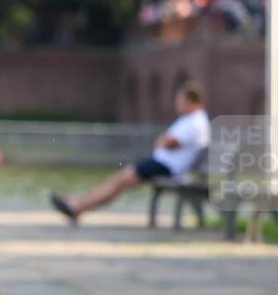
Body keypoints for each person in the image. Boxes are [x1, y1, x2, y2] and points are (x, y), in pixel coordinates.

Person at [51, 81, 210, 224]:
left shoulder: (194, 122)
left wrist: (162, 140)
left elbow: (169, 142)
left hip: (166, 167)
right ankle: (78, 204)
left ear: (191, 101)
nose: (177, 103)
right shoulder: (193, 119)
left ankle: (77, 207)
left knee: (118, 182)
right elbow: (167, 141)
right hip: (163, 165)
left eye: (180, 100)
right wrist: (163, 140)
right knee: (118, 181)